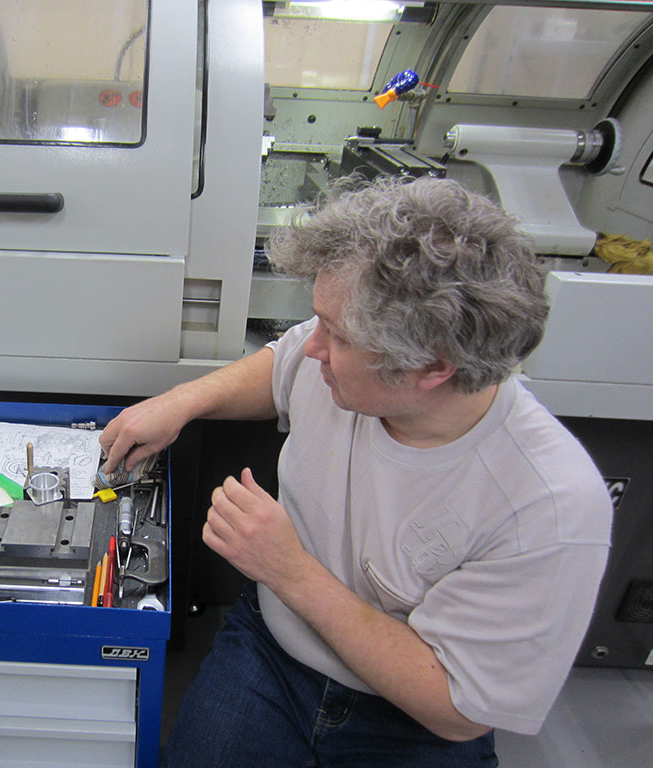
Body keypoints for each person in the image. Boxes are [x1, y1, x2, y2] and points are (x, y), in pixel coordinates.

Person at [99, 176, 612, 767]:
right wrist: (182, 402)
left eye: (337, 336)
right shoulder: (337, 363)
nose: (313, 346)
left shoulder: (548, 507)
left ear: (432, 367)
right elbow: (282, 364)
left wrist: (287, 569)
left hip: (411, 719)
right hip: (274, 648)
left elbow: (458, 707)